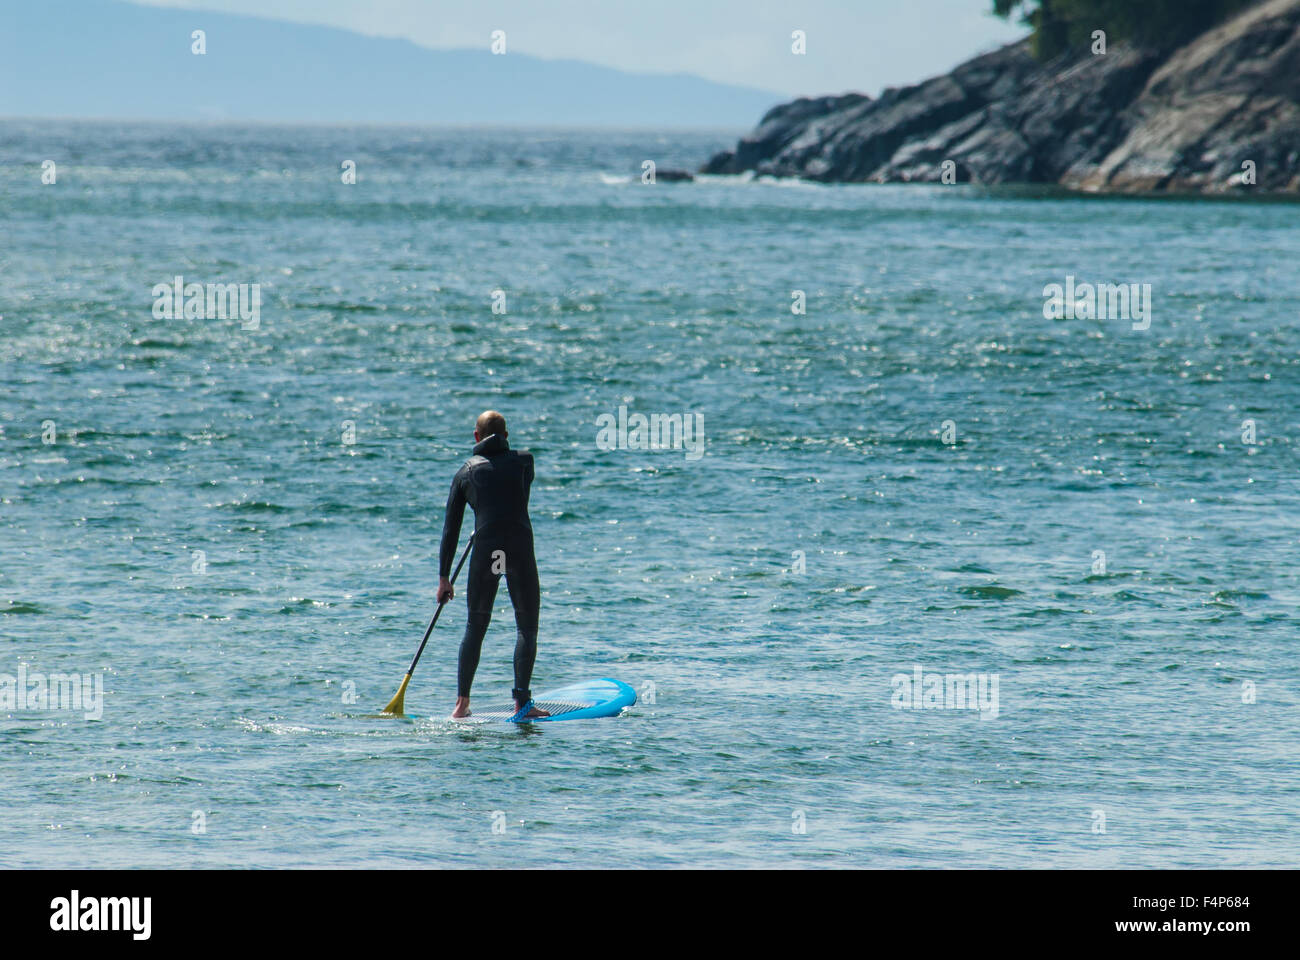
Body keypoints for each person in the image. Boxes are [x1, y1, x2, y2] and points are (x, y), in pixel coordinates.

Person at [438, 410, 549, 720]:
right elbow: (516, 494)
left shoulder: (464, 473)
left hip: (487, 551)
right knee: (526, 628)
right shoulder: (526, 462)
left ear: (476, 437)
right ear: (507, 436)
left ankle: (461, 705)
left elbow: (451, 529)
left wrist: (444, 577)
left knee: (476, 625)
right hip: (518, 549)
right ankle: (522, 705)